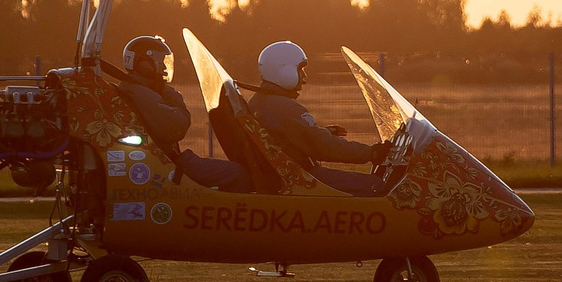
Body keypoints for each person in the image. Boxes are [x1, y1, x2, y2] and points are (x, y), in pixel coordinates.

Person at [250, 40, 392, 197]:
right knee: (375, 185)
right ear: (284, 71)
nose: (304, 76)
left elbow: (291, 139)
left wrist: (323, 132)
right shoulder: (284, 107)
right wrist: (371, 153)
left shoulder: (260, 101)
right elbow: (323, 146)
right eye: (300, 69)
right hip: (302, 177)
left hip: (288, 176)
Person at [119, 35, 247, 190]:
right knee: (237, 173)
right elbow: (177, 127)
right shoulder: (141, 93)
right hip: (168, 163)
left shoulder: (138, 89)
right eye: (160, 61)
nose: (164, 67)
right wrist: (168, 91)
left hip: (164, 159)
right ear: (144, 64)